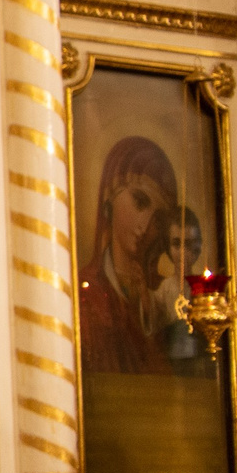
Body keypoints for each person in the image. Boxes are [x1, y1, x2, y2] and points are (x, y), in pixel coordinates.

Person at [77, 135, 180, 377]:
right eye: (140, 202)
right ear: (110, 195)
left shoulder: (163, 298)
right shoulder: (85, 294)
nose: (145, 226)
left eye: (158, 218)